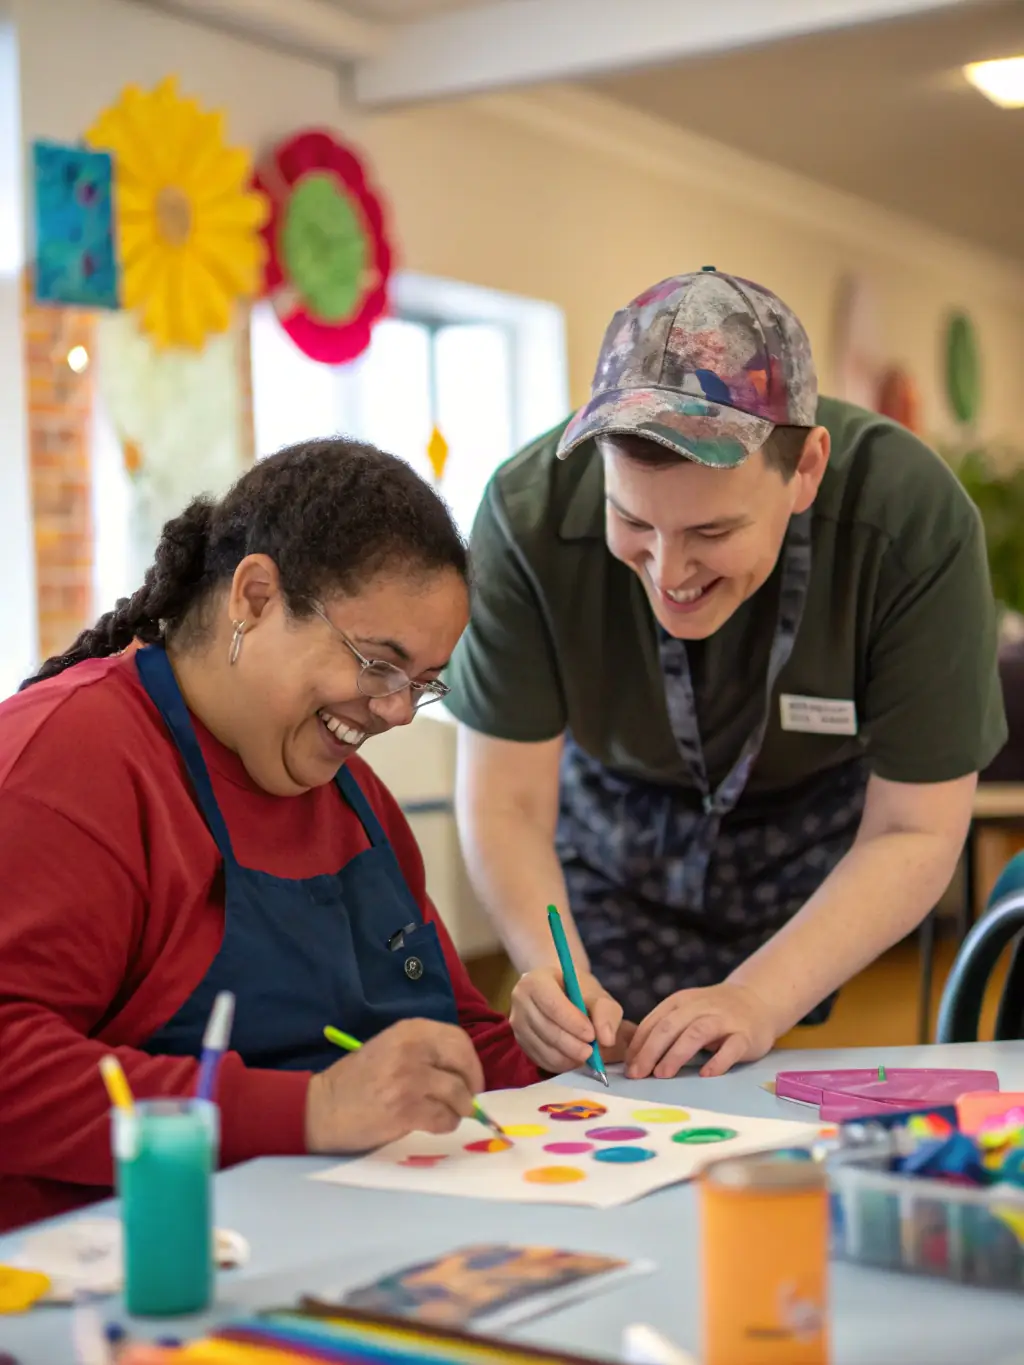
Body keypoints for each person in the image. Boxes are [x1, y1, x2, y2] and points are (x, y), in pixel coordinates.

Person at [447, 266, 1006, 1083]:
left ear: (806, 470)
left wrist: (760, 994)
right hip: (611, 834)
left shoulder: (911, 520)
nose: (669, 572)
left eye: (712, 528)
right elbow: (507, 800)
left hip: (821, 839)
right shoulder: (524, 514)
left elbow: (913, 829)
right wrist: (551, 968)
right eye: (632, 519)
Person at [0, 438, 538, 1233]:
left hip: (357, 1241)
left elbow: (462, 1043)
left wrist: (574, 1049)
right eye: (378, 664)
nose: (394, 712)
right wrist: (311, 1108)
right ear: (253, 596)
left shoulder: (355, 799)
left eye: (422, 684)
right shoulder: (70, 762)